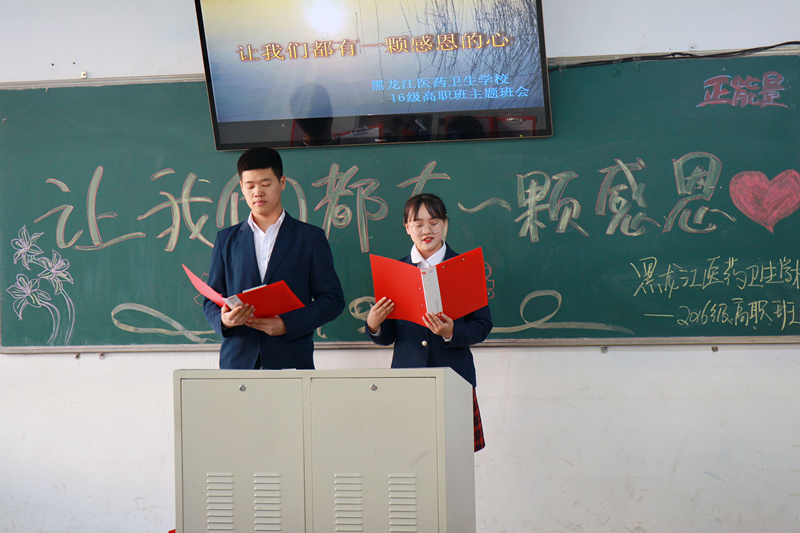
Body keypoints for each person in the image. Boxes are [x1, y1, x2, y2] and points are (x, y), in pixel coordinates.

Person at [366, 193, 493, 451]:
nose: (427, 230)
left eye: (434, 222)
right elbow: (388, 335)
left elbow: (482, 326)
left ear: (444, 223)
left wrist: (451, 332)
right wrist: (374, 325)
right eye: (418, 224)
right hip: (407, 378)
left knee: (454, 455)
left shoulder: (464, 267)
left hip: (454, 377)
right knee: (409, 456)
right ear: (407, 227)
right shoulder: (394, 272)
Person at [203, 146, 345, 369]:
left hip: (291, 360)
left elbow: (332, 300)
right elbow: (211, 300)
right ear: (241, 187)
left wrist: (287, 324)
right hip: (238, 362)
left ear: (282, 182)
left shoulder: (310, 238)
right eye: (250, 186)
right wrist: (224, 320)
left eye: (266, 184)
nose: (257, 192)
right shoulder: (226, 240)